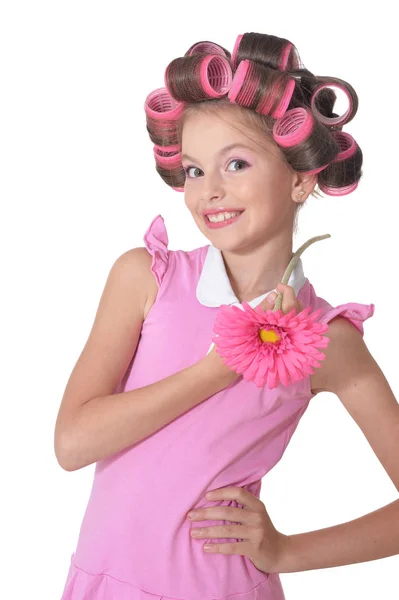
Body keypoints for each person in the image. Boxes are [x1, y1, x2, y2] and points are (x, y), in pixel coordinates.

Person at [55, 32, 399, 600]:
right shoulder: (148, 279)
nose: (209, 192)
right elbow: (72, 443)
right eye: (193, 171)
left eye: (235, 164)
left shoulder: (325, 338)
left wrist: (287, 550)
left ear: (299, 178)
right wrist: (217, 370)